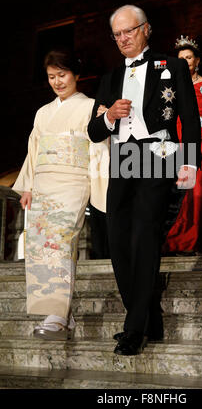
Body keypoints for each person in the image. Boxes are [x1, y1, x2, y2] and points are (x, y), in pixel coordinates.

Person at [88, 4, 201, 355]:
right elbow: (93, 132)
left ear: (146, 30)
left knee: (145, 236)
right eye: (117, 34)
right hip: (123, 158)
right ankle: (147, 317)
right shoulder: (109, 79)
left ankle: (133, 328)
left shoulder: (173, 66)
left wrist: (190, 163)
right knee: (117, 239)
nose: (123, 39)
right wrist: (108, 117)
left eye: (129, 31)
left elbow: (190, 118)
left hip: (159, 153)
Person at [13, 48, 109, 340]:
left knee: (61, 239)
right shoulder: (43, 112)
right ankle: (57, 313)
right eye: (51, 76)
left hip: (73, 181)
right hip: (44, 183)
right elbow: (34, 151)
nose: (57, 81)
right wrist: (28, 185)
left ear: (76, 74)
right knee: (42, 242)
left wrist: (100, 184)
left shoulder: (92, 106)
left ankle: (57, 314)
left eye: (62, 74)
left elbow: (99, 146)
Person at [163, 36, 202, 255]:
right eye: (181, 59)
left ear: (197, 60)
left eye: (189, 58)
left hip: (199, 141)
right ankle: (175, 236)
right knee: (174, 190)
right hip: (175, 141)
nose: (185, 62)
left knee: (198, 189)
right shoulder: (169, 88)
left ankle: (197, 236)